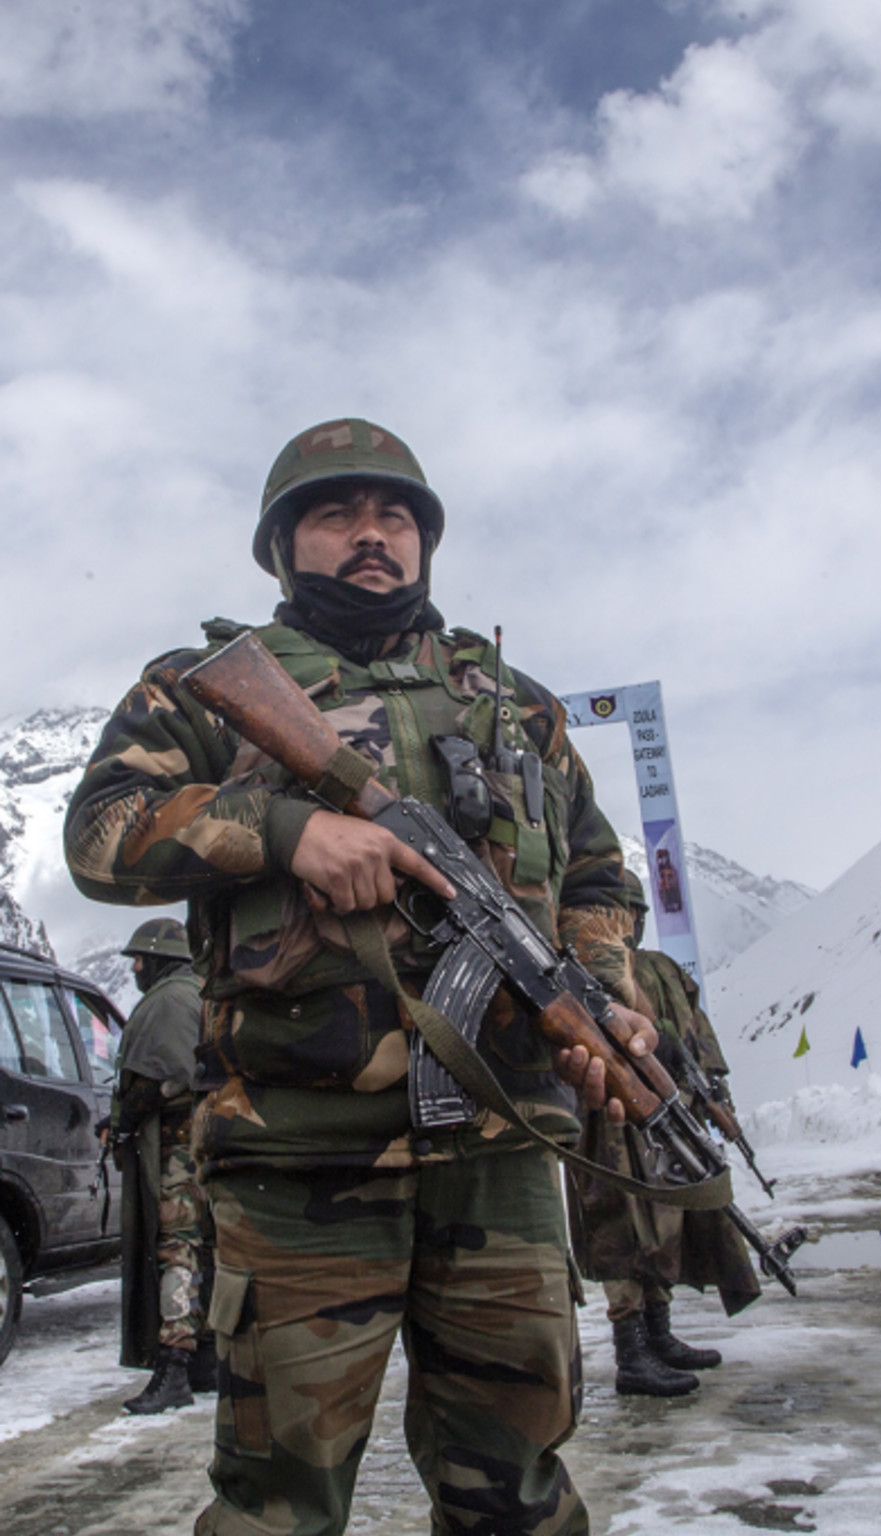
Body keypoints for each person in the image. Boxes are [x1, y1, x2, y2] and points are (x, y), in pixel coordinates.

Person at [65, 417, 657, 1536]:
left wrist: (592, 992)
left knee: (518, 1491)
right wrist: (281, 831)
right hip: (300, 1157)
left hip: (503, 1154)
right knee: (276, 1504)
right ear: (284, 545)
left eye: (394, 516)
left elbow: (594, 874)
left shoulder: (516, 705)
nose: (370, 536)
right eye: (335, 514)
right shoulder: (200, 691)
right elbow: (100, 838)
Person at [567, 871, 762, 1397]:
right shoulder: (585, 973)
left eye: (635, 913)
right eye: (626, 911)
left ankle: (659, 1334)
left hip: (661, 1115)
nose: (633, 923)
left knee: (663, 1223)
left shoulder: (662, 971)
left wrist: (711, 1090)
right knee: (618, 1226)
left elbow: (696, 1034)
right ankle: (632, 1351)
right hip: (605, 1120)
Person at [103, 917, 213, 1413]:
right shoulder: (197, 991)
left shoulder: (168, 1001)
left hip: (176, 1151)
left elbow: (155, 1079)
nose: (135, 970)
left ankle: (173, 1368)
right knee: (199, 1248)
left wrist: (124, 1124)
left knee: (177, 1252)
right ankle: (203, 1359)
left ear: (158, 958)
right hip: (200, 1145)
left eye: (140, 960)